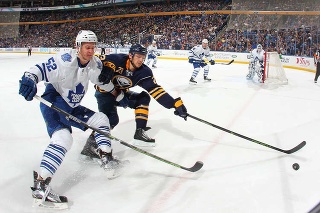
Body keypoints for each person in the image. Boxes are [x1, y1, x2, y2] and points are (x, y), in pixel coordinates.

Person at [18, 30, 126, 208]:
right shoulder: (64, 61)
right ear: (78, 46)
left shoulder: (94, 64)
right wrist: (29, 79)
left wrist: (120, 97)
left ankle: (106, 158)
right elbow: (40, 69)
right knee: (63, 138)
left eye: (93, 47)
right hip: (53, 102)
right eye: (87, 47)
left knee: (101, 120)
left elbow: (102, 81)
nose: (90, 51)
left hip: (71, 107)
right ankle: (41, 185)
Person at [80, 43, 187, 160]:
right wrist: (106, 69)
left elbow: (155, 90)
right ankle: (90, 146)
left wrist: (174, 104)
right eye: (138, 56)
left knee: (143, 98)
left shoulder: (143, 72)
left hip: (121, 94)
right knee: (111, 120)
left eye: (143, 57)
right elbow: (99, 62)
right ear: (130, 55)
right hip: (105, 94)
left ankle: (139, 132)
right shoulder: (117, 60)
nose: (141, 60)